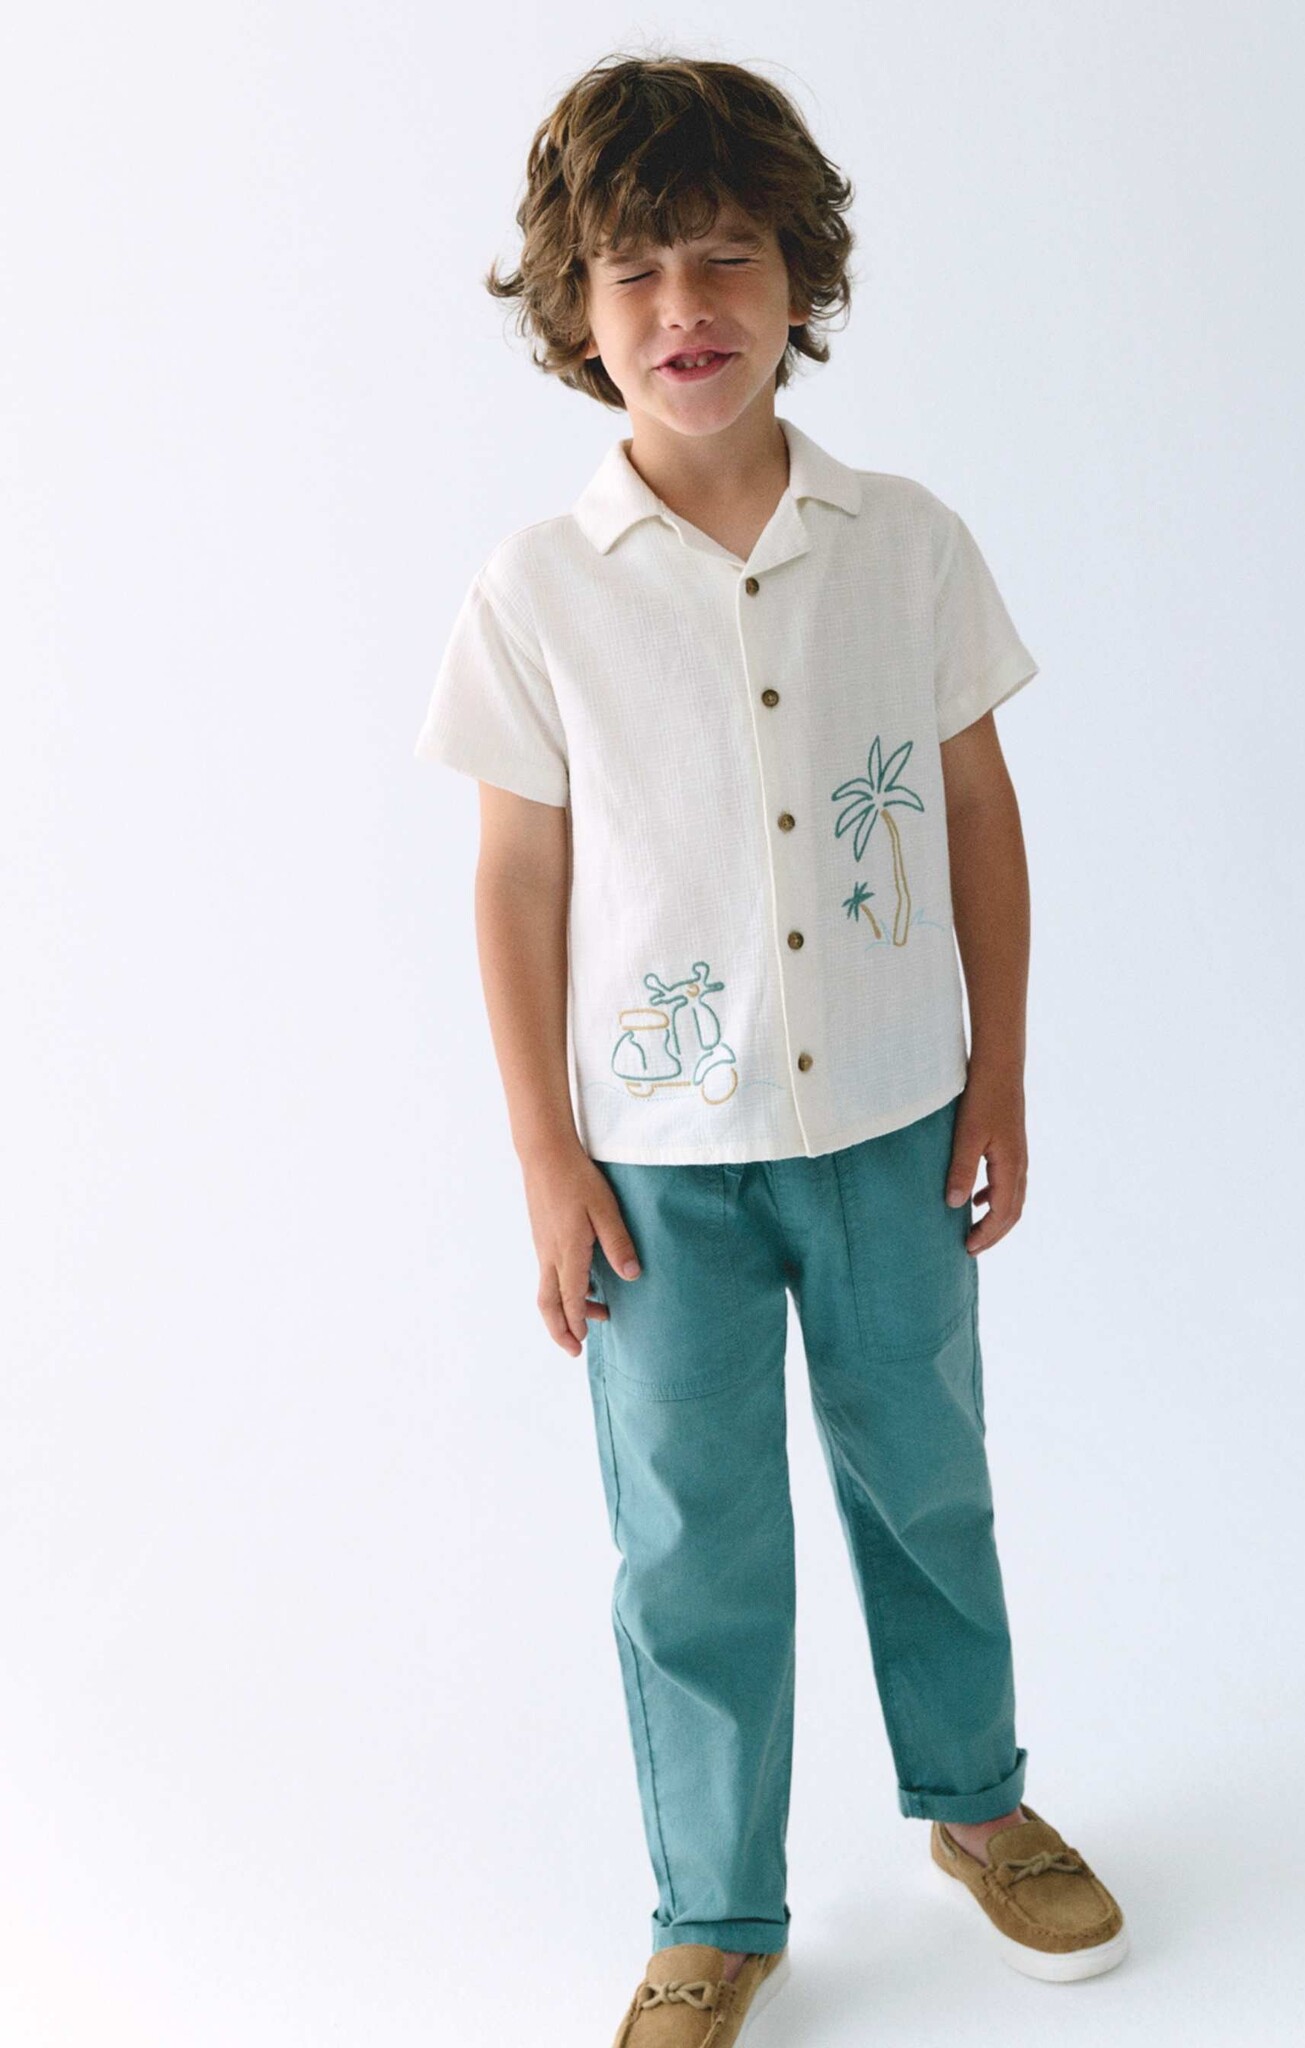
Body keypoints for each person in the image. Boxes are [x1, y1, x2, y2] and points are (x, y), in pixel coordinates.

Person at [414, 49, 1128, 2046]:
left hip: (894, 1121)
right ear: (575, 310)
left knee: (928, 1483)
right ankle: (715, 1905)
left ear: (799, 277)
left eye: (725, 256)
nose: (685, 307)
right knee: (691, 1536)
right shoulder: (537, 594)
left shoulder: (908, 545)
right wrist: (546, 1159)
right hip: (657, 1167)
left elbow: (977, 811)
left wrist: (1000, 1073)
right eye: (635, 271)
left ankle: (977, 1803)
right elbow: (516, 885)